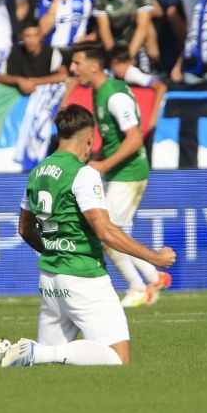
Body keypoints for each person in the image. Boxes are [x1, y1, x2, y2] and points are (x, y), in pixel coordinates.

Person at [0, 104, 176, 368]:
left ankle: (9, 353)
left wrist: (54, 249)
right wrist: (154, 257)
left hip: (50, 280)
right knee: (117, 357)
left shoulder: (37, 173)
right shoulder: (83, 173)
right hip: (84, 278)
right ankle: (33, 352)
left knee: (52, 363)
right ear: (90, 139)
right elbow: (104, 229)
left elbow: (24, 229)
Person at [69, 43, 173, 307]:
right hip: (119, 171)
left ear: (93, 66)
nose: (73, 68)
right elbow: (114, 138)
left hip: (130, 173)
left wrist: (103, 165)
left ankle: (139, 287)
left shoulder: (114, 95)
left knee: (105, 232)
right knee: (112, 231)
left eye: (77, 63)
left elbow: (135, 139)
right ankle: (154, 277)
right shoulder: (99, 91)